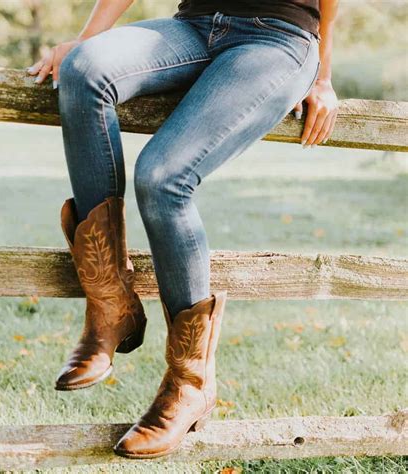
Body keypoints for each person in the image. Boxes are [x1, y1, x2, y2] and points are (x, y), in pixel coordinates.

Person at [27, 0, 339, 459]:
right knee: (84, 69)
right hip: (194, 25)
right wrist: (87, 36)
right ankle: (110, 305)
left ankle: (190, 384)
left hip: (277, 37)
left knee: (163, 177)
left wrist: (324, 76)